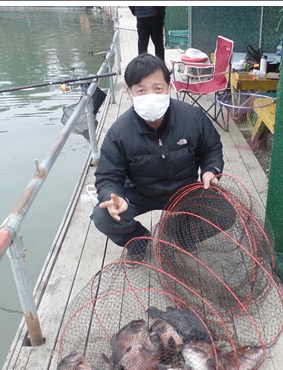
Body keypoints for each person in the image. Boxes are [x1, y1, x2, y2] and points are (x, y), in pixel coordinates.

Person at [91, 53, 224, 260]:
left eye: (157, 88)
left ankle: (183, 234)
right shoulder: (119, 132)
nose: (150, 95)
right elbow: (107, 176)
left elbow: (212, 149)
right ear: (129, 93)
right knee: (103, 216)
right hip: (140, 192)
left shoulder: (193, 117)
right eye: (141, 90)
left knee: (225, 211)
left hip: (184, 189)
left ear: (169, 88)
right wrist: (112, 196)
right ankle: (138, 240)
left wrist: (210, 170)